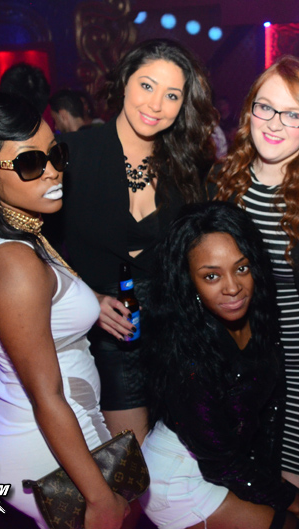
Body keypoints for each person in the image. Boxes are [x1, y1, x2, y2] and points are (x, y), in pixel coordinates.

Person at [0, 92, 129, 528]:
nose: (53, 170)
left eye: (55, 154)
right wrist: (99, 499)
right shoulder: (15, 262)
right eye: (30, 163)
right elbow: (46, 396)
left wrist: (2, 355)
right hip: (41, 436)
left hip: (32, 424)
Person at [56, 38, 217, 442]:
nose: (156, 104)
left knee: (178, 460)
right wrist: (86, 297)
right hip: (102, 335)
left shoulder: (188, 164)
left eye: (172, 95)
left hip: (173, 333)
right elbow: (33, 244)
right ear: (125, 81)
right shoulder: (73, 152)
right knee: (128, 461)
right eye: (147, 85)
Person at [140, 201, 299, 529]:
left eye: (242, 269)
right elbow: (221, 463)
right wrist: (297, 503)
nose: (232, 288)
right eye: (211, 276)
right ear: (189, 281)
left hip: (229, 463)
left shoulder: (259, 315)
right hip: (181, 476)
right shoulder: (188, 357)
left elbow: (267, 414)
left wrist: (281, 489)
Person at [210, 55, 299, 495]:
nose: (274, 123)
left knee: (291, 492)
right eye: (265, 107)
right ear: (249, 110)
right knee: (250, 493)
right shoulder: (221, 183)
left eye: (292, 114)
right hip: (240, 371)